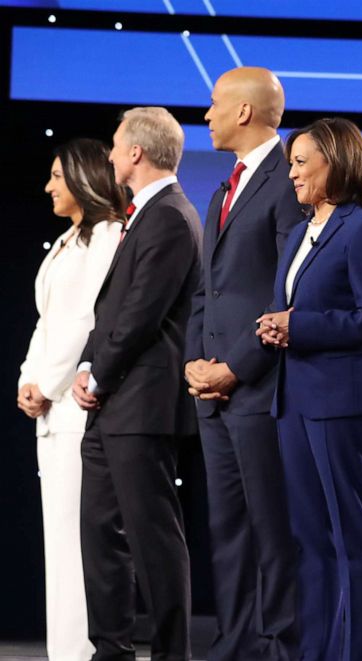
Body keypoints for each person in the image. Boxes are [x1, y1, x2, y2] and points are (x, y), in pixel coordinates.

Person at [71, 107, 202, 660]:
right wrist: (86, 366)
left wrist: (98, 374)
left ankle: (172, 653)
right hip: (112, 403)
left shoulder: (170, 216)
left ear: (136, 154)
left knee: (153, 540)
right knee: (101, 536)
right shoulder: (143, 215)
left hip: (143, 404)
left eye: (115, 146)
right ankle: (111, 650)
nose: (109, 155)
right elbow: (112, 311)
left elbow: (143, 314)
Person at [257, 117, 362, 661]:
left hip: (341, 404)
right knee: (311, 545)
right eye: (291, 163)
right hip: (294, 402)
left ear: (336, 162)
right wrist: (274, 325)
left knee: (350, 541)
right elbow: (293, 306)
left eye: (301, 161)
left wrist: (300, 326)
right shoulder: (299, 231)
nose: (292, 174)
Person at [184, 66, 302, 661]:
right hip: (213, 392)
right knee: (227, 532)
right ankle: (232, 647)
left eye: (213, 105)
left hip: (260, 389)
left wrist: (234, 368)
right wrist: (194, 364)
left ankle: (278, 646)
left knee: (272, 531)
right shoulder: (220, 189)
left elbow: (289, 293)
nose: (206, 115)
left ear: (245, 112)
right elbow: (206, 291)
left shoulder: (291, 181)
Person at [17, 138, 125, 661]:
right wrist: (26, 380)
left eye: (57, 176)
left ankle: (83, 651)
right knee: (58, 542)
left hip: (77, 409)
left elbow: (86, 320)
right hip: (51, 411)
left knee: (81, 543)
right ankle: (64, 651)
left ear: (82, 178)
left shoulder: (107, 236)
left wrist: (51, 382)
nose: (49, 186)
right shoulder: (68, 241)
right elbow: (48, 321)